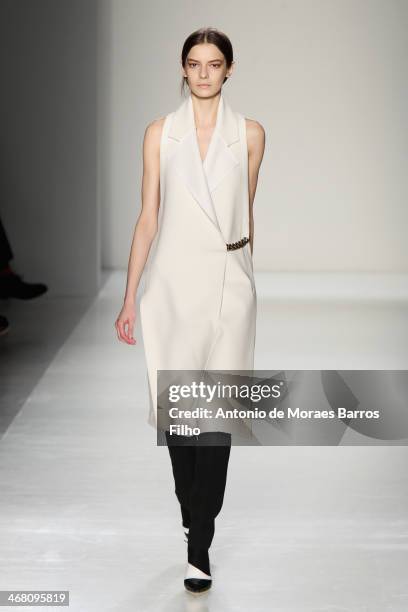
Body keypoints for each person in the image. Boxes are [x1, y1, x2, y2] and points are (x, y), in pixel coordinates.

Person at [115, 27, 265, 594]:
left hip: (230, 282)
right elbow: (148, 217)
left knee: (218, 416)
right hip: (173, 285)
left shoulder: (249, 134)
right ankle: (192, 515)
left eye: (215, 63)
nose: (204, 73)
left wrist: (252, 282)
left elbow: (246, 215)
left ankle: (199, 537)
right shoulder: (160, 134)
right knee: (181, 417)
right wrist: (130, 296)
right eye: (195, 63)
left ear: (229, 70)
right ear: (182, 69)